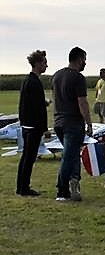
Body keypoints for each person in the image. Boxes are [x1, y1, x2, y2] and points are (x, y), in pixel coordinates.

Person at [52, 46, 92, 202]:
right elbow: (82, 102)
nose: (85, 63)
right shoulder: (78, 78)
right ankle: (62, 190)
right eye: (85, 60)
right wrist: (88, 123)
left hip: (58, 122)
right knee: (68, 157)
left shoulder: (56, 76)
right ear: (79, 59)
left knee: (74, 154)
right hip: (73, 123)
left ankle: (74, 183)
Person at [16, 49, 48, 197]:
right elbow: (38, 108)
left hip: (26, 124)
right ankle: (24, 188)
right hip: (33, 126)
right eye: (44, 63)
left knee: (26, 157)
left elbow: (27, 103)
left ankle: (21, 186)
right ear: (37, 64)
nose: (46, 65)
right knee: (29, 158)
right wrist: (44, 128)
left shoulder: (27, 80)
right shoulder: (35, 82)